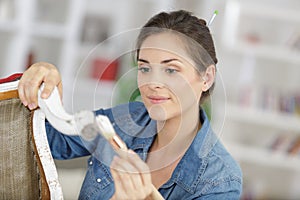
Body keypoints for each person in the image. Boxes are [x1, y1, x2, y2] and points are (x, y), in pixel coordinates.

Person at [18, 10, 242, 200]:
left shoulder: (220, 180)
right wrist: (45, 90)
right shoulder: (125, 120)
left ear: (207, 77)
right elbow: (42, 141)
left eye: (171, 70)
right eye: (144, 68)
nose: (153, 83)